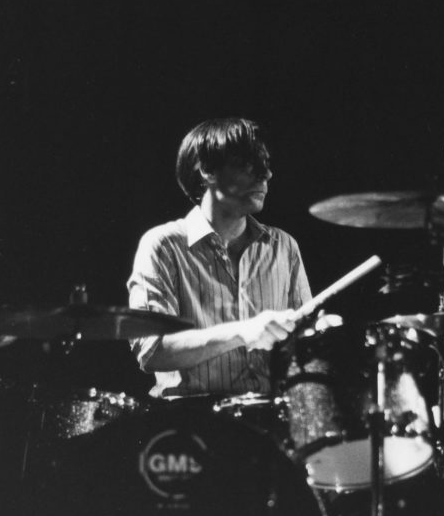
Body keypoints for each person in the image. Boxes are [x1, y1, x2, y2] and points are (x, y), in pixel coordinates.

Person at [127, 118, 311, 398]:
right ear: (207, 170)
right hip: (189, 418)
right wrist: (242, 331)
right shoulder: (163, 245)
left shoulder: (283, 246)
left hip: (269, 416)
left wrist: (320, 333)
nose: (266, 175)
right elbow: (151, 351)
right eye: (249, 164)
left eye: (266, 164)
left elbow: (302, 344)